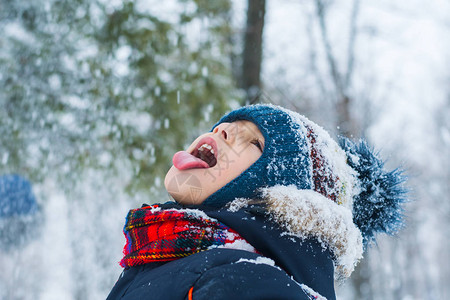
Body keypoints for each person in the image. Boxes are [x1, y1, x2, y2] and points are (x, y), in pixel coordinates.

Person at [107, 104, 407, 300]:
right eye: (223, 126)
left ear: (284, 194)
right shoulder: (163, 261)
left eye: (254, 142)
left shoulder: (250, 283)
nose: (220, 130)